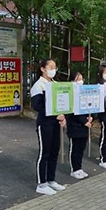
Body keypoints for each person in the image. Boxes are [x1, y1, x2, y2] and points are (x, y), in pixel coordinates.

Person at [30, 59, 67, 195]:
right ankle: (41, 183)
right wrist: (54, 115)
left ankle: (51, 180)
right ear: (42, 69)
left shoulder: (56, 85)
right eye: (50, 67)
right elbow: (37, 106)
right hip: (45, 123)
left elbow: (63, 104)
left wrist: (63, 117)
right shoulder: (38, 86)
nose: (53, 69)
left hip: (56, 123)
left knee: (54, 151)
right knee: (44, 152)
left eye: (55, 67)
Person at [65, 72, 92, 179]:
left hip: (84, 125)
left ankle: (79, 167)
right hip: (75, 125)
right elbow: (73, 112)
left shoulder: (83, 92)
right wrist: (84, 121)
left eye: (81, 79)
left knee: (81, 147)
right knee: (75, 148)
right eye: (78, 79)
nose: (80, 81)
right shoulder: (70, 93)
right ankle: (74, 169)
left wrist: (90, 117)